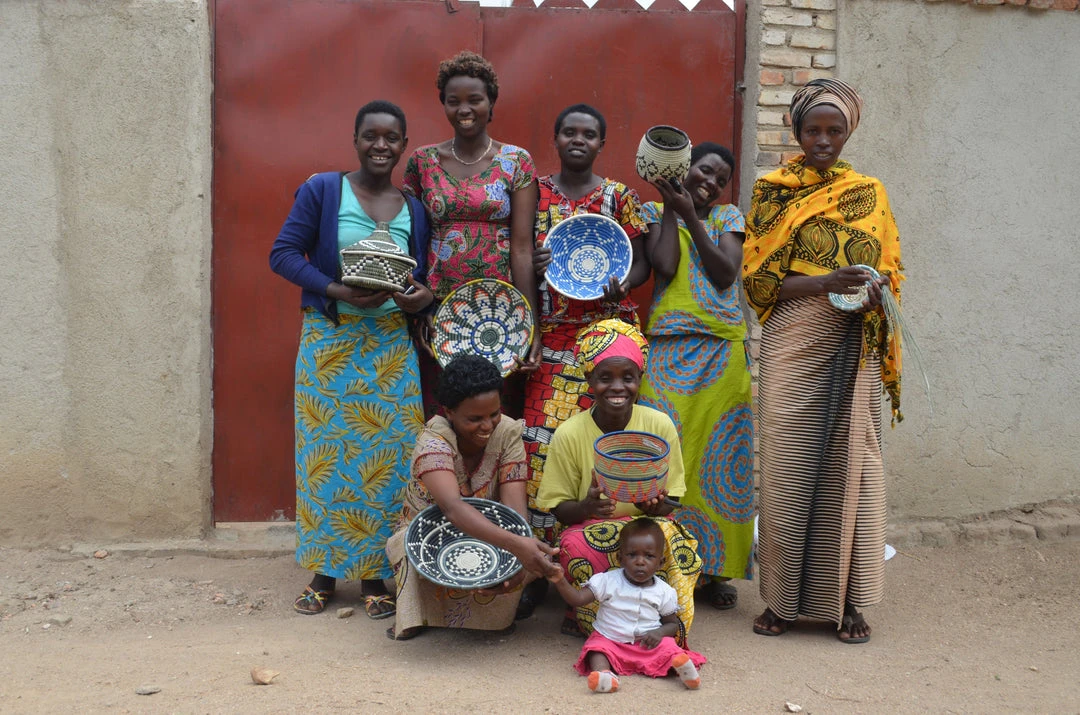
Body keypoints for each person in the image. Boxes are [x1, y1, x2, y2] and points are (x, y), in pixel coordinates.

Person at [742, 78, 904, 644]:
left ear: (849, 132)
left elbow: (892, 270)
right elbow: (759, 285)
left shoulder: (870, 193)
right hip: (792, 340)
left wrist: (877, 294)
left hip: (853, 343)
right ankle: (782, 602)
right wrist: (824, 282)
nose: (823, 141)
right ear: (797, 132)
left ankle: (849, 602)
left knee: (853, 468)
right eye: (813, 130)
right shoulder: (771, 193)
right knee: (786, 468)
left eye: (835, 131)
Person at [269, 101, 433, 618]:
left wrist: (421, 297)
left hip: (389, 347)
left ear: (404, 145)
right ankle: (324, 574)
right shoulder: (323, 190)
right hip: (331, 343)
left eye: (391, 138)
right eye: (370, 136)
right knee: (325, 460)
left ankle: (375, 576)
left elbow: (420, 276)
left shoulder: (414, 209)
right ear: (355, 139)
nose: (380, 145)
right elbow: (283, 254)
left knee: (389, 463)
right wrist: (336, 289)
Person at [637, 143, 754, 611]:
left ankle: (715, 570)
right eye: (705, 171)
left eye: (720, 179)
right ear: (686, 168)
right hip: (668, 348)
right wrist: (674, 209)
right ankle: (661, 565)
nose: (711, 183)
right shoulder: (653, 211)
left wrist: (693, 217)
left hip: (721, 350)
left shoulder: (728, 217)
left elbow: (725, 273)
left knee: (720, 458)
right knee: (664, 456)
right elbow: (664, 266)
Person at [535, 319, 703, 642]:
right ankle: (592, 620)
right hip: (590, 528)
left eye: (628, 378)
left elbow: (673, 501)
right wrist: (586, 507)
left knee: (674, 539)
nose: (617, 387)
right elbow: (557, 508)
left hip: (643, 529)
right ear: (589, 379)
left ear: (640, 379)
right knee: (575, 544)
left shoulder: (659, 425)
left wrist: (654, 507)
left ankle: (664, 624)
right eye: (605, 378)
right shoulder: (569, 434)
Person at [384, 354, 561, 640]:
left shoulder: (507, 432)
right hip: (430, 536)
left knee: (530, 546)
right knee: (405, 544)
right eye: (474, 419)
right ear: (449, 412)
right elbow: (452, 509)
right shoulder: (433, 442)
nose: (488, 425)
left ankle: (490, 615)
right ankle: (418, 615)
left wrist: (518, 552)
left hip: (488, 531)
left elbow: (515, 514)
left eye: (494, 414)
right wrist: (517, 545)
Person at [403, 50, 541, 418]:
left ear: (491, 102)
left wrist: (531, 325)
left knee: (494, 417)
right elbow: (412, 240)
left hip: (502, 314)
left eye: (474, 100)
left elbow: (522, 248)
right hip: (439, 311)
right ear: (444, 105)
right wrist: (421, 307)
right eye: (454, 101)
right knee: (444, 414)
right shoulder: (422, 162)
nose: (464, 109)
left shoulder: (516, 161)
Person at [548, 517, 706, 694]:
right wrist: (560, 580)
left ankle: (684, 670)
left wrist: (659, 633)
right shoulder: (607, 581)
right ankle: (604, 674)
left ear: (660, 563)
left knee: (669, 647)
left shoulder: (665, 591)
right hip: (611, 640)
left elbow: (672, 624)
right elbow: (577, 599)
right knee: (596, 649)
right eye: (632, 555)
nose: (640, 562)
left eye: (649, 556)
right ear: (620, 558)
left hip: (647, 644)